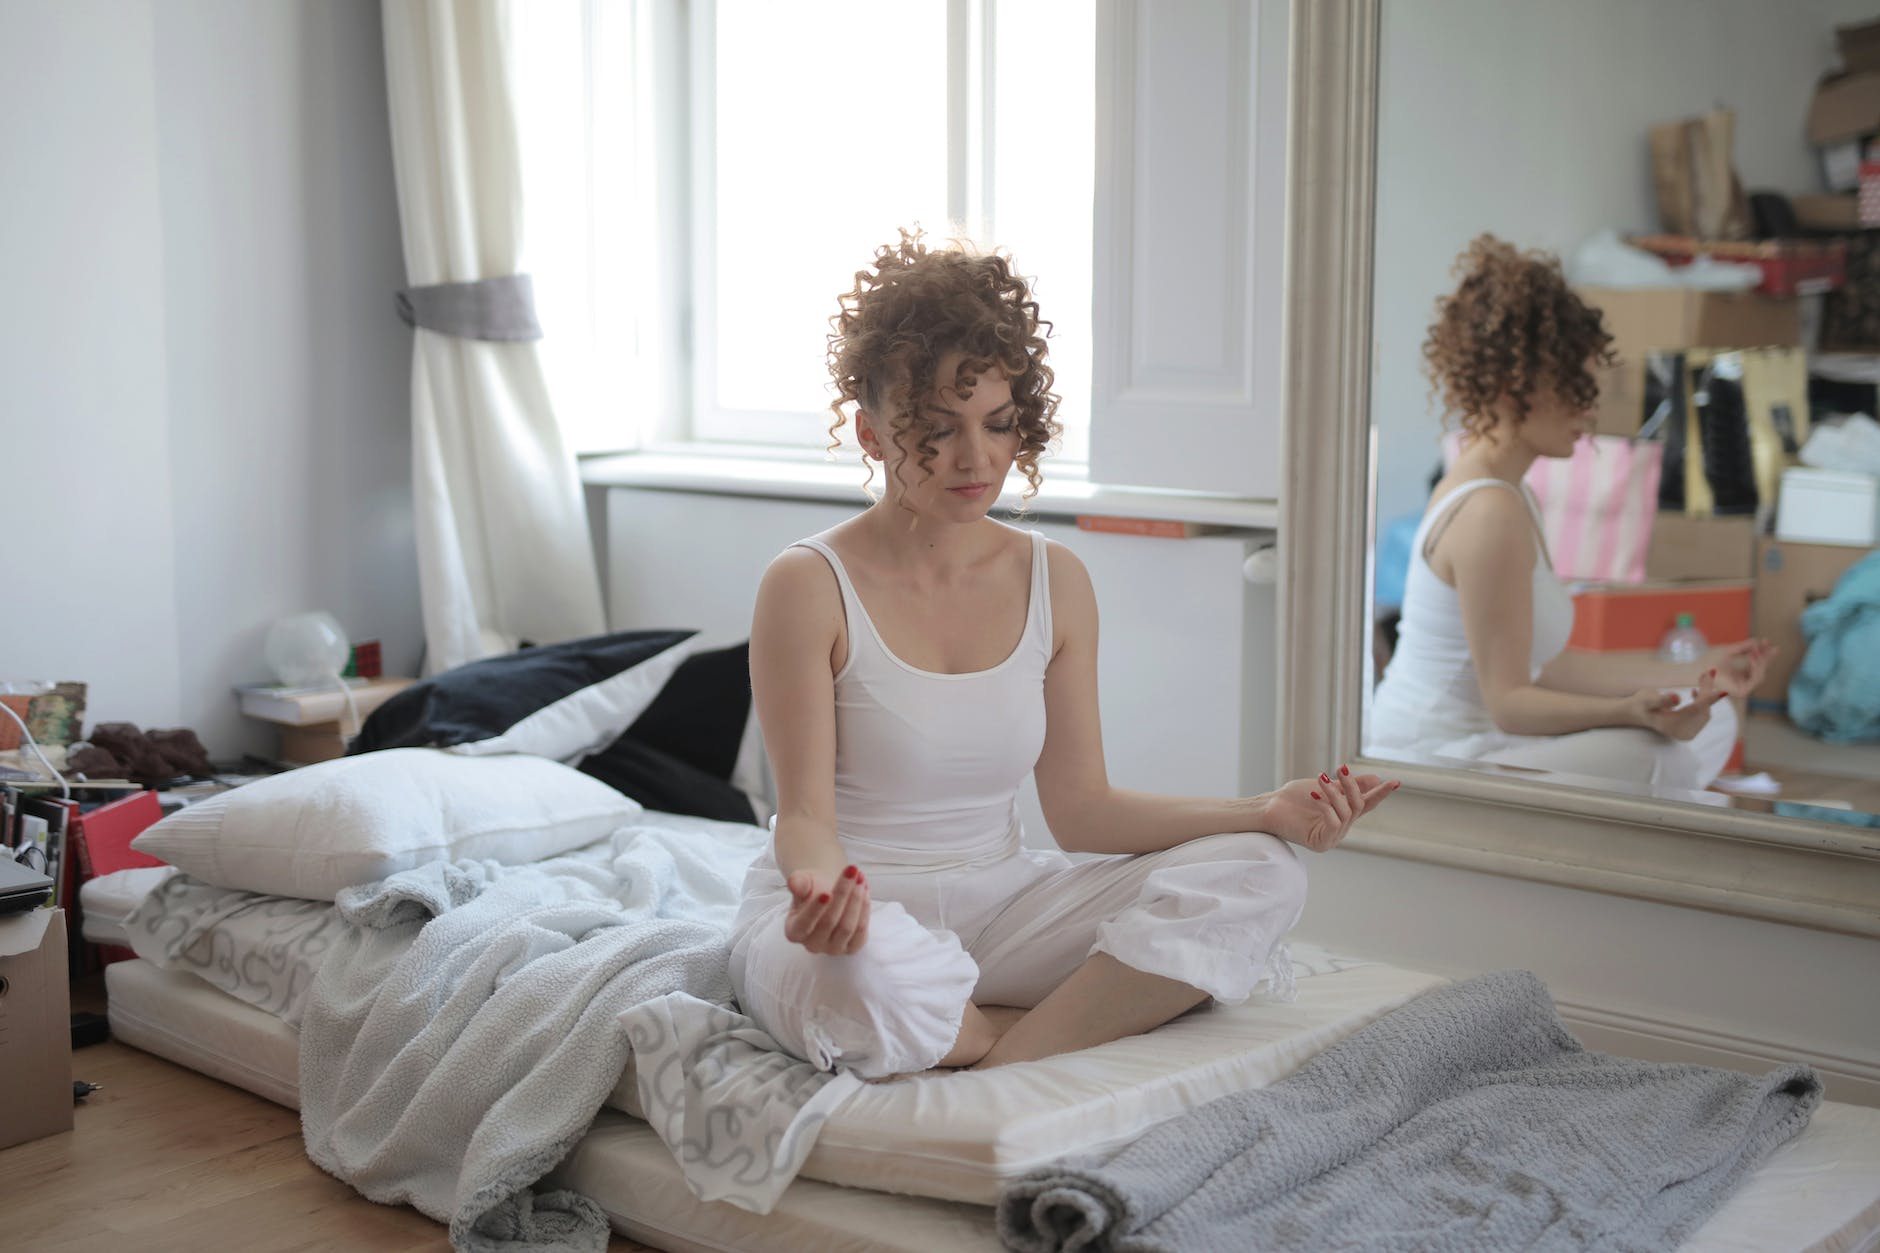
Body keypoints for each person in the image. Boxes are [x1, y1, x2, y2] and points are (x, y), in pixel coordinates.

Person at [727, 230, 1398, 1079]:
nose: (977, 458)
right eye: (938, 429)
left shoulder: (1056, 579)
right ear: (869, 431)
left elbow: (1083, 810)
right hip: (860, 911)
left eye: (999, 424)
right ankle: (996, 1027)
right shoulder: (807, 582)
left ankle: (999, 1048)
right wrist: (821, 898)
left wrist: (1262, 809)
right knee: (857, 980)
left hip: (1003, 903)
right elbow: (806, 818)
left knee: (1263, 875)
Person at [1368, 235, 1774, 794]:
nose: (1591, 406)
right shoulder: (1489, 512)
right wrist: (1632, 713)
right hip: (1432, 757)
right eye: (1575, 387)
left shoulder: (1511, 492)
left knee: (1712, 721)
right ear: (1514, 389)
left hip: (1486, 741)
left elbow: (1551, 668)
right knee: (1661, 759)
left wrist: (1700, 671)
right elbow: (1511, 704)